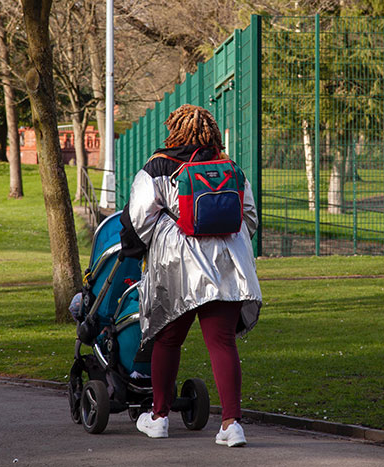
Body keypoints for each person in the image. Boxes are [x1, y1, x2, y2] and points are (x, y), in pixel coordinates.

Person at [119, 104, 262, 445]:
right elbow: (250, 217)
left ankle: (159, 417)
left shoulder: (159, 165)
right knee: (222, 342)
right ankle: (231, 425)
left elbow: (139, 218)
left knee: (167, 340)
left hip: (177, 266)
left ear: (174, 129)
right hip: (228, 265)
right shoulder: (229, 168)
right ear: (210, 130)